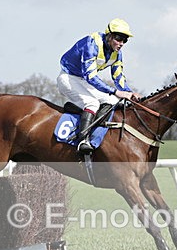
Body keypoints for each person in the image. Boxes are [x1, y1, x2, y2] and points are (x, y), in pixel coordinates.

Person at [57, 18, 143, 155]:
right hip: (68, 78)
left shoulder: (117, 53)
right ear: (109, 35)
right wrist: (115, 91)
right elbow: (90, 76)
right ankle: (82, 140)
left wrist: (129, 93)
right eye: (119, 38)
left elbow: (118, 76)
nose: (121, 43)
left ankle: (96, 136)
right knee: (92, 103)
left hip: (83, 80)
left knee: (112, 101)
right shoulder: (91, 44)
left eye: (125, 40)